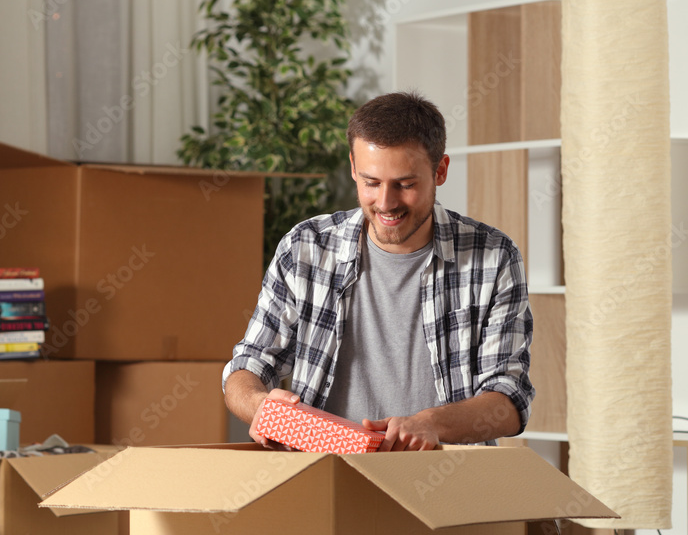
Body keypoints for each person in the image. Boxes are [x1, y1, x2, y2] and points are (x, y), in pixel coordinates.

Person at [223, 91, 534, 452]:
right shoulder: (305, 247)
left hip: (446, 475)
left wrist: (432, 424)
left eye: (405, 184)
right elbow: (249, 364)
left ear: (440, 171)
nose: (386, 203)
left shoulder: (493, 257)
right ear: (353, 167)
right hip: (326, 471)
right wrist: (259, 404)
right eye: (371, 182)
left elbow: (509, 400)